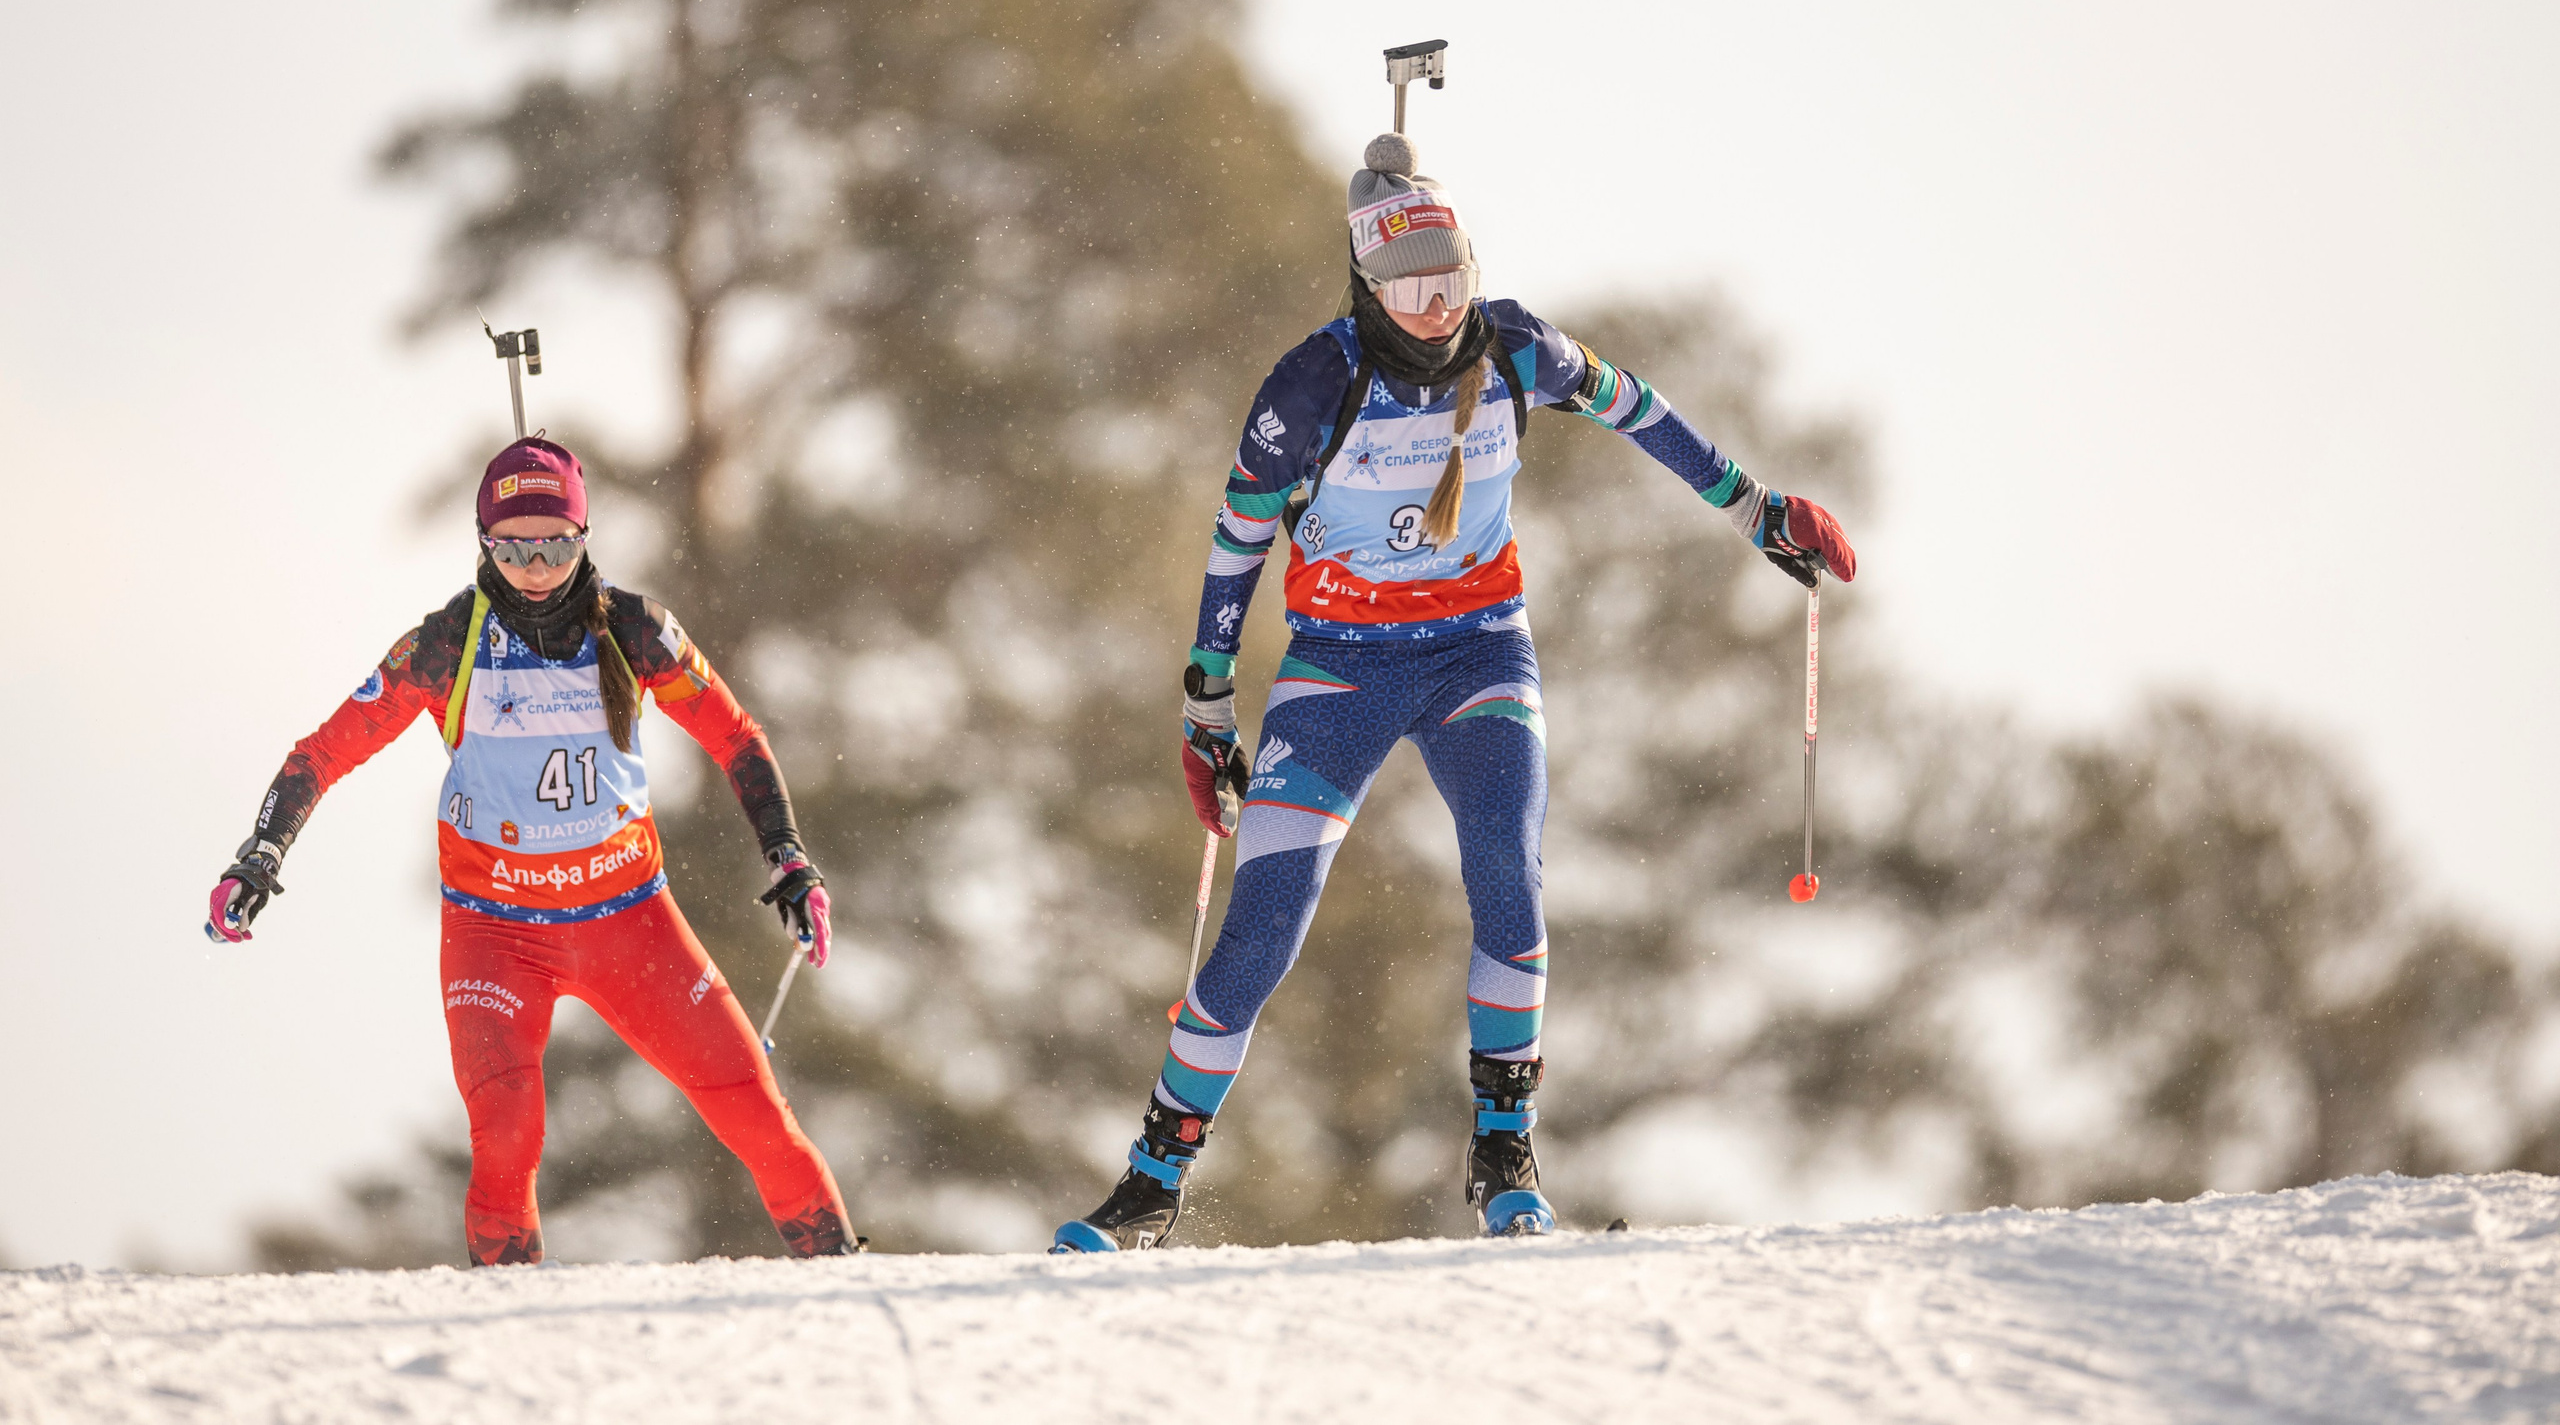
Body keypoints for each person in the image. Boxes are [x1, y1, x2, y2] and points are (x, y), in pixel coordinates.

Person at [1051, 135, 1857, 1252]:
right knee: (1260, 934)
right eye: (1410, 288)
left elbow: (1638, 408)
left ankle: (1504, 1158)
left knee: (1506, 878)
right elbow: (1236, 541)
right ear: (1367, 286)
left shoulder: (1519, 348)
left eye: (1453, 280)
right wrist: (1205, 703)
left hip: (1478, 652)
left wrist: (1754, 508)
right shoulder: (1310, 382)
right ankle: (1150, 1183)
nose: (1436, 309)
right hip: (1338, 670)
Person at [205, 437, 857, 1265]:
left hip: (629, 921)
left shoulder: (635, 629)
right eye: (515, 548)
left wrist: (789, 859)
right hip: (497, 932)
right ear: (484, 543)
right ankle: (503, 1340)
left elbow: (736, 737)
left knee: (755, 1113)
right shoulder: (446, 643)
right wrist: (260, 854)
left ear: (586, 537)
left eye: (558, 543)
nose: (538, 567)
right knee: (508, 1132)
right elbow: (323, 752)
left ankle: (843, 1291)